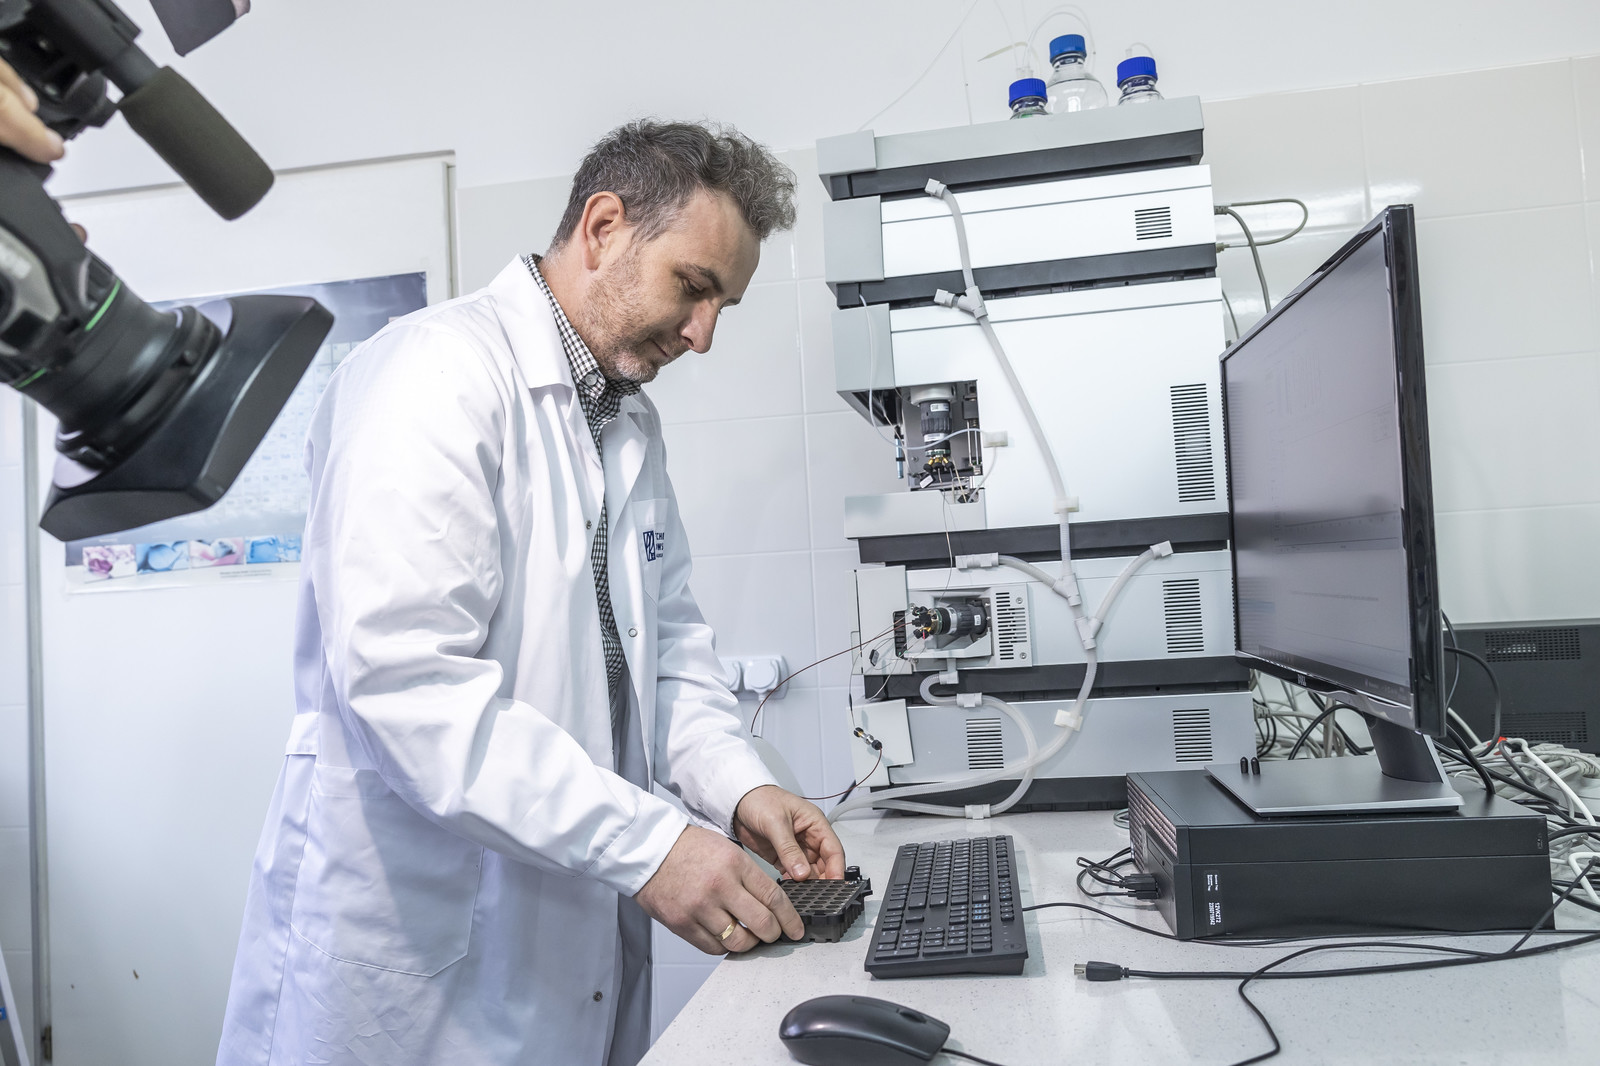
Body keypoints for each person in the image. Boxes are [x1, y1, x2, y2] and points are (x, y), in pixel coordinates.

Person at [215, 120, 846, 1066]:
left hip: (558, 946)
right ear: (603, 227)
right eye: (693, 285)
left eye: (723, 304)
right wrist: (650, 847)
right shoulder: (431, 376)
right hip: (417, 963)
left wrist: (738, 785)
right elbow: (407, 687)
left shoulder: (626, 423)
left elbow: (668, 652)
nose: (704, 335)